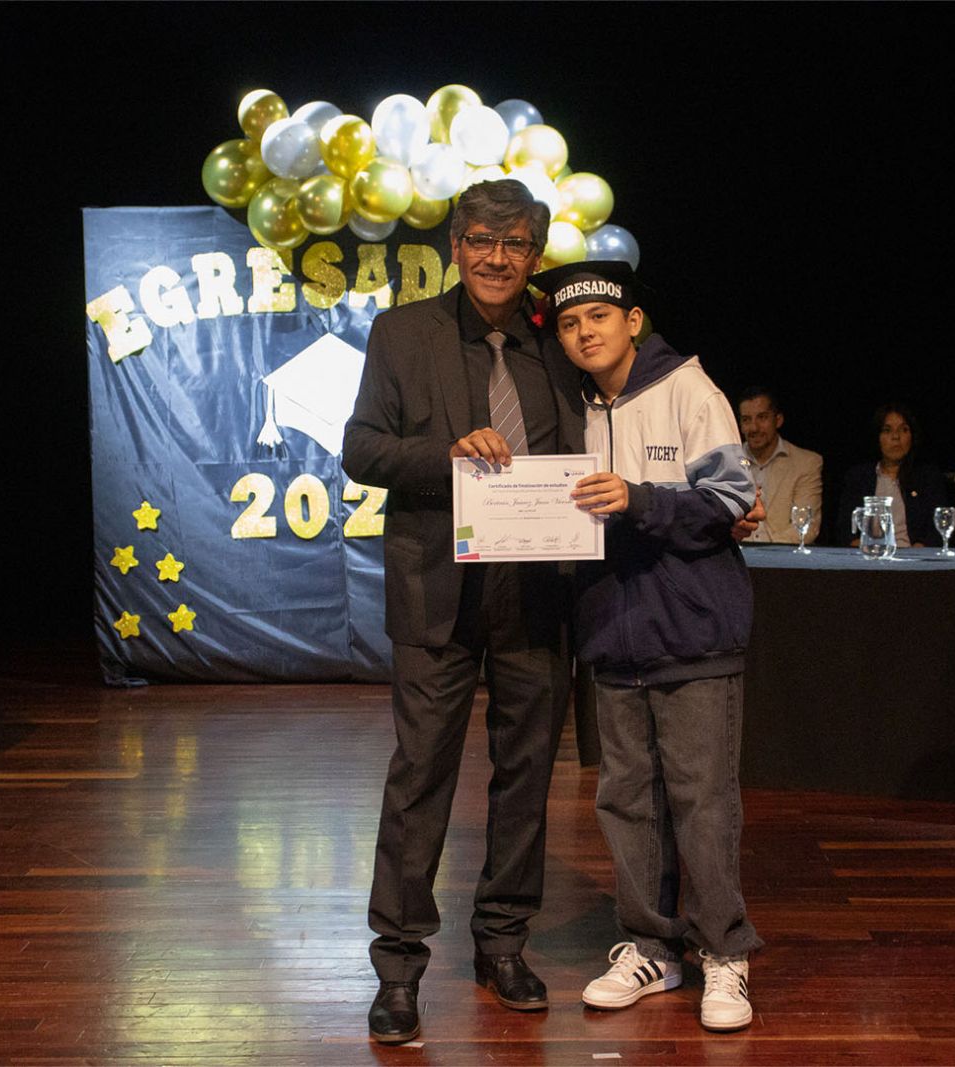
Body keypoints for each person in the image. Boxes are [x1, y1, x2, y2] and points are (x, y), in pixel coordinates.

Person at [341, 180, 583, 1044]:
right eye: (481, 239)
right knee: (420, 779)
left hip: (539, 590)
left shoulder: (560, 341)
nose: (496, 257)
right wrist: (444, 456)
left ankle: (503, 943)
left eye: (514, 244)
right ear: (455, 246)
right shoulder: (402, 333)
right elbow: (360, 448)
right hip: (436, 593)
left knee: (527, 776)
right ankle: (399, 966)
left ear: (535, 255)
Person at [532, 259, 762, 1033]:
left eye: (598, 316)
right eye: (569, 323)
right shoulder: (572, 405)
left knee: (703, 801)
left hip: (693, 630)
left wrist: (639, 499)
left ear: (633, 321)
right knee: (626, 801)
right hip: (611, 634)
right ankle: (651, 947)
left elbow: (732, 499)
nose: (583, 332)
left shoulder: (689, 389)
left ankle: (724, 951)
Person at [836, 402, 950, 548]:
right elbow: (845, 529)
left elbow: (937, 529)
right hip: (869, 555)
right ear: (877, 437)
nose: (896, 437)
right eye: (887, 430)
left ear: (912, 436)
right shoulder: (858, 477)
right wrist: (864, 548)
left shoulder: (928, 477)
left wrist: (918, 553)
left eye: (903, 430)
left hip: (914, 557)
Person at [736, 387, 822, 543]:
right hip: (736, 554)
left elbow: (806, 526)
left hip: (783, 555)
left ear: (778, 420)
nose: (754, 428)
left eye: (762, 417)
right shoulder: (729, 461)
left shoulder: (806, 463)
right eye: (746, 420)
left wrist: (765, 553)